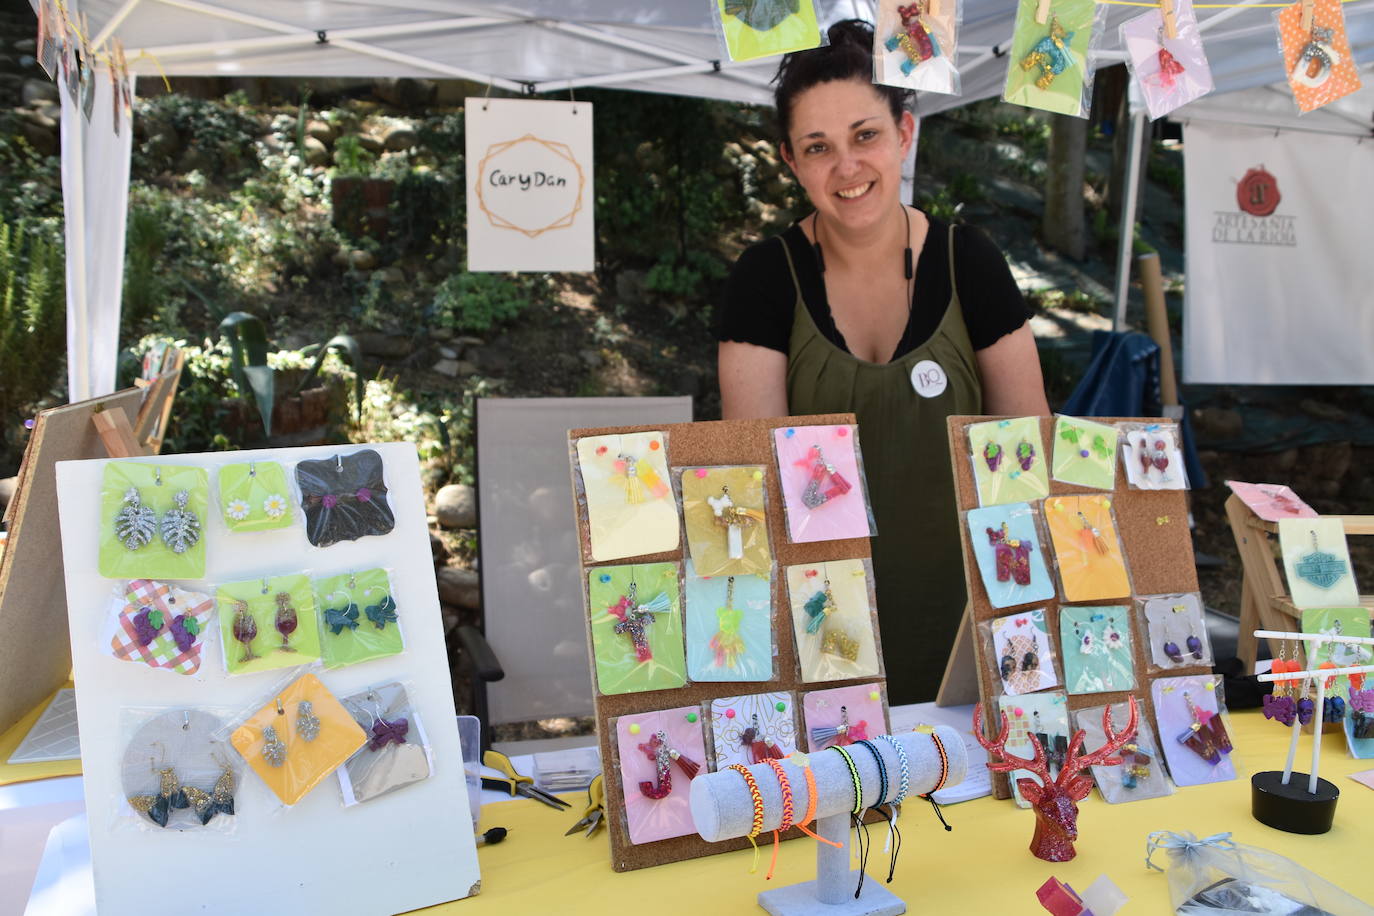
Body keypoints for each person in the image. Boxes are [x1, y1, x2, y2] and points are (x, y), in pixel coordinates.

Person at [716, 20, 1050, 704]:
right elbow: (748, 487)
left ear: (905, 133)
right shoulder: (764, 280)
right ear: (791, 161)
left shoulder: (970, 264)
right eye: (819, 148)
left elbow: (1031, 459)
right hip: (823, 646)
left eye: (865, 135)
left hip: (972, 641)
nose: (846, 167)